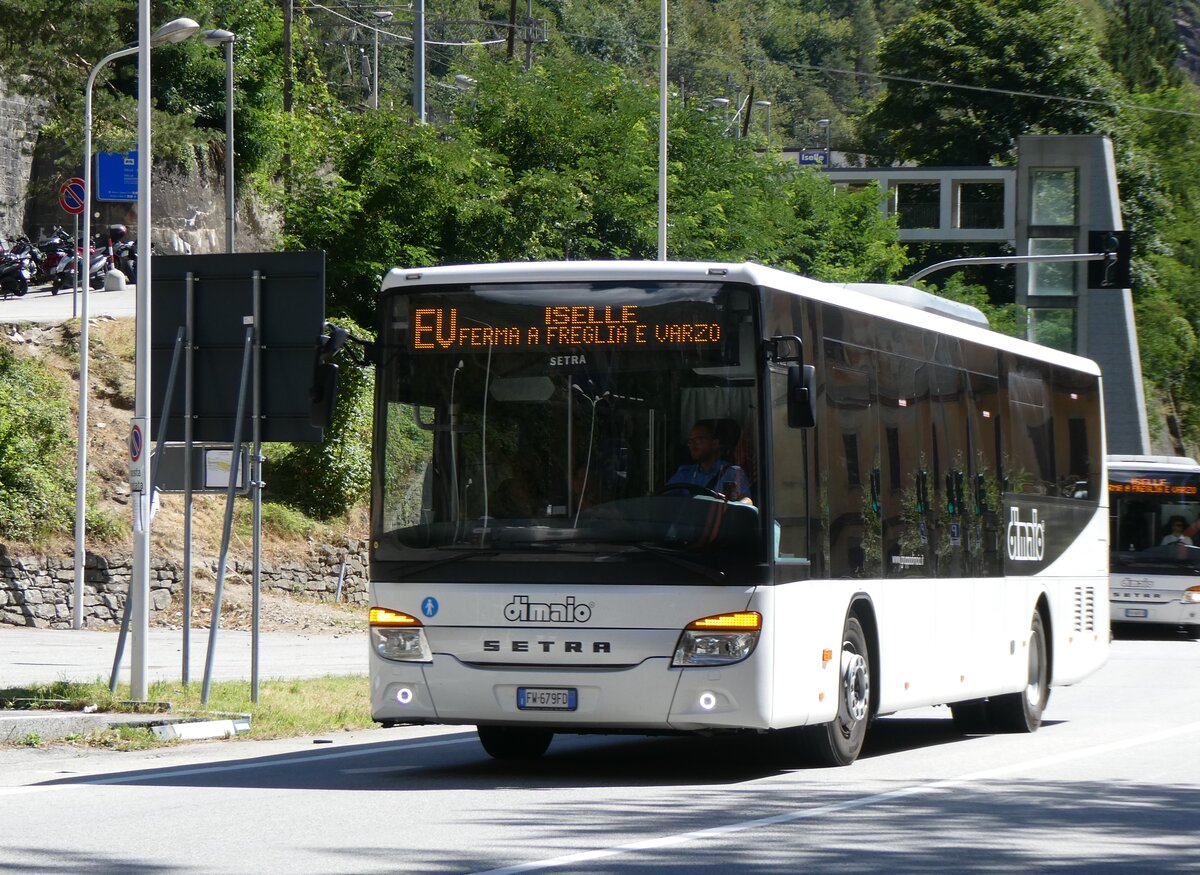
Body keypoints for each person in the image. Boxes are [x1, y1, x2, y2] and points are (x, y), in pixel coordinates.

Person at [666, 420, 753, 505]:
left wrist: (730, 504)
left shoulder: (731, 473)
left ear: (714, 444)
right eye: (690, 441)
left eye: (698, 441)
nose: (692, 446)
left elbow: (747, 500)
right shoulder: (684, 473)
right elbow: (665, 498)